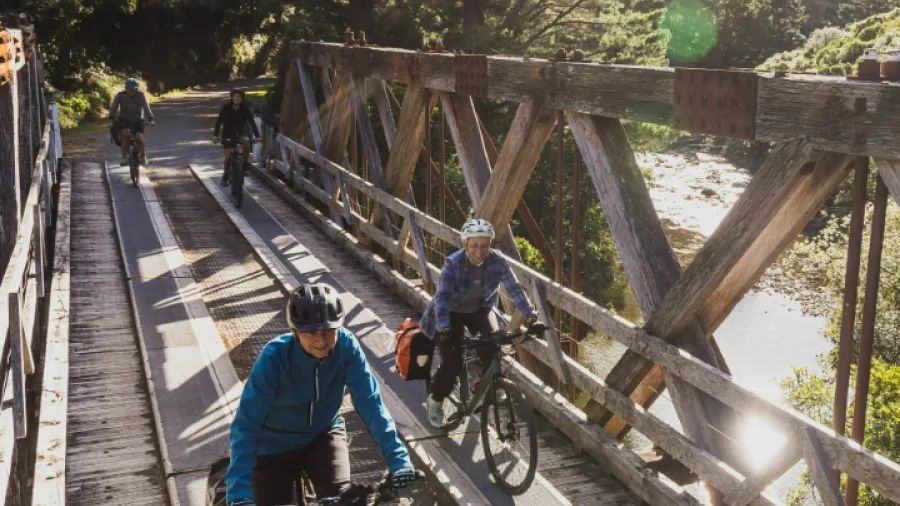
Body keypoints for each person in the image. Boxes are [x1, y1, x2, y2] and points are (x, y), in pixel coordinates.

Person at [225, 282, 418, 506]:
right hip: (273, 442)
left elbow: (370, 403)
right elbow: (247, 424)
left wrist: (398, 459)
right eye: (311, 332)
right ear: (295, 332)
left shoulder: (346, 347)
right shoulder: (274, 357)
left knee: (342, 500)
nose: (321, 340)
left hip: (322, 433)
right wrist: (239, 492)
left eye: (328, 330)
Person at [420, 218, 545, 429]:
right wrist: (444, 327)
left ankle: (484, 380)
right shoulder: (453, 263)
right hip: (451, 312)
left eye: (485, 245)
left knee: (494, 343)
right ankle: (436, 399)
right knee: (453, 362)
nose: (480, 250)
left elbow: (514, 289)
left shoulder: (497, 261)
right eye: (474, 245)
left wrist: (532, 317)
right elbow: (441, 298)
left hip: (480, 308)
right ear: (466, 244)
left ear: (490, 244)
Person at [214, 88, 261, 187]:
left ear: (242, 98)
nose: (236, 98)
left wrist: (257, 136)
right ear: (231, 97)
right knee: (228, 157)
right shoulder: (226, 108)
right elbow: (219, 122)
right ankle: (226, 175)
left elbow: (252, 122)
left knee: (246, 143)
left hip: (241, 133)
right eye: (235, 96)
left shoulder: (245, 109)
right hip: (227, 134)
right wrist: (215, 135)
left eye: (239, 97)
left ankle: (244, 165)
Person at [109, 77, 154, 166]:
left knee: (139, 137)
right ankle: (124, 157)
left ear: (136, 89)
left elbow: (146, 107)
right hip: (124, 120)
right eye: (129, 89)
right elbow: (113, 107)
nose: (131, 91)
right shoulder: (120, 96)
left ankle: (143, 156)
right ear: (125, 88)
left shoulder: (141, 96)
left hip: (138, 120)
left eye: (133, 89)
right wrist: (111, 119)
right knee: (125, 134)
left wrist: (151, 119)